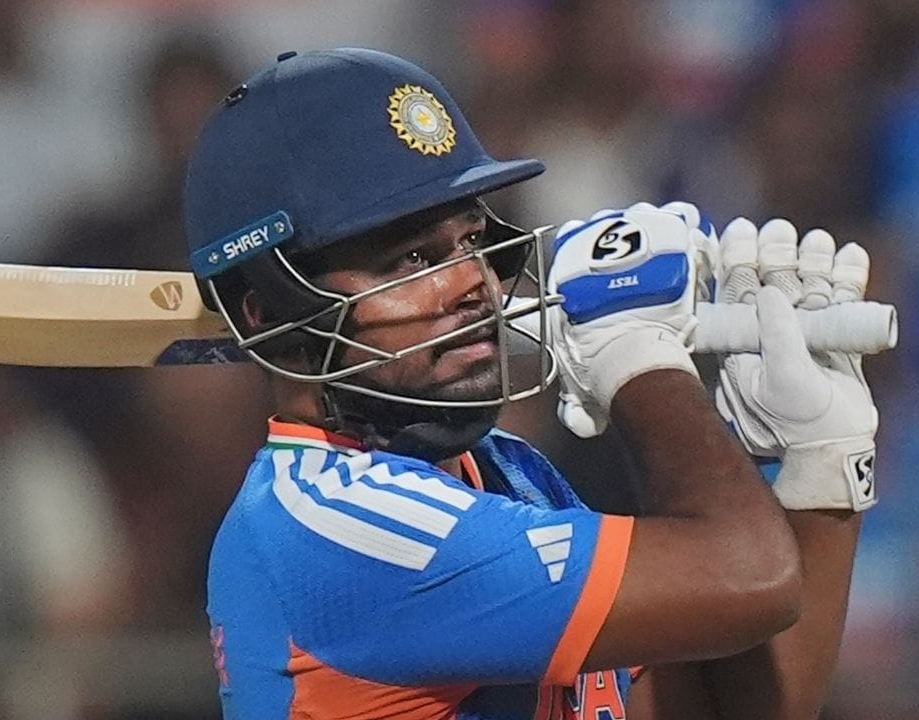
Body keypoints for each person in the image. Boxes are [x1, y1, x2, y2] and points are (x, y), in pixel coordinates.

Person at [185, 48, 879, 719]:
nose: (474, 282)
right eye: (412, 259)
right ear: (269, 313)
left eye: (470, 242)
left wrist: (821, 464)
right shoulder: (337, 528)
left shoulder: (505, 471)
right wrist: (638, 356)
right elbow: (752, 577)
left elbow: (723, 704)